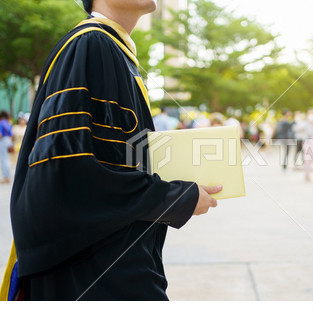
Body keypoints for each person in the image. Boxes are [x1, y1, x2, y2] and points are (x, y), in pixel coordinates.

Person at [6, 0, 221, 301]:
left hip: (115, 253)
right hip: (90, 266)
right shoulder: (89, 44)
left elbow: (112, 157)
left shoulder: (115, 52)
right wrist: (175, 197)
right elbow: (67, 168)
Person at [0, 111, 13, 184]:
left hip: (3, 140)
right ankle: (8, 176)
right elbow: (11, 134)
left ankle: (6, 177)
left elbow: (0, 134)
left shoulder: (1, 123)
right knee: (7, 159)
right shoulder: (8, 123)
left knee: (3, 159)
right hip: (8, 140)